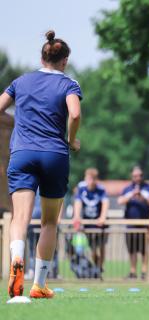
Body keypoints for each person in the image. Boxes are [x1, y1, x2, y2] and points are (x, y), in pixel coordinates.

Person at [0, 30, 82, 299]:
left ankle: (16, 266)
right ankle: (39, 285)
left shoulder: (20, 81)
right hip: (54, 155)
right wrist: (71, 139)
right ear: (64, 60)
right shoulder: (69, 84)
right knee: (49, 221)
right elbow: (75, 113)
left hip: (22, 153)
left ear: (42, 56)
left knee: (19, 218)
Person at [118, 166, 149, 280]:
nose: (138, 178)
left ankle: (144, 272)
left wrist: (143, 197)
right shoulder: (127, 189)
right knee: (132, 250)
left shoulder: (148, 188)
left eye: (140, 175)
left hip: (144, 225)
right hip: (130, 225)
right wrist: (132, 195)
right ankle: (133, 272)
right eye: (135, 176)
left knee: (144, 250)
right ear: (132, 176)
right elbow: (120, 201)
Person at [73, 168, 109, 275]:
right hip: (88, 224)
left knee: (101, 247)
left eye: (93, 179)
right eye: (88, 178)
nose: (90, 181)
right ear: (85, 178)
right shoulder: (81, 187)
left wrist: (103, 217)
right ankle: (97, 267)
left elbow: (105, 203)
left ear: (96, 179)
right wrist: (76, 216)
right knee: (93, 249)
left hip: (99, 224)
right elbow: (78, 202)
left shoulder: (101, 189)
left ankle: (100, 267)